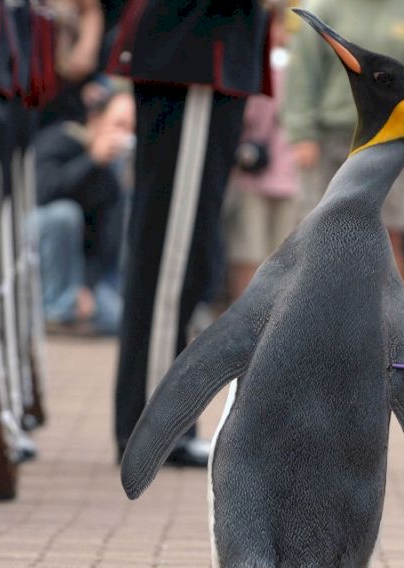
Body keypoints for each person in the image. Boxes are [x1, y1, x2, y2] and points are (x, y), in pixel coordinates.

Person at [107, 0, 271, 466]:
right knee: (170, 261)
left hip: (201, 59)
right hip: (196, 59)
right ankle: (153, 427)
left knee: (186, 258)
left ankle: (157, 421)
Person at [283, 0, 404, 284]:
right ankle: (316, 325)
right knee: (317, 238)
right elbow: (301, 73)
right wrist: (302, 132)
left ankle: (391, 328)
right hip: (332, 140)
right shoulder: (325, 7)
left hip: (391, 141)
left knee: (389, 239)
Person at [31, 88, 134, 336]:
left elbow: (103, 243)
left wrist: (86, 287)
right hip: (34, 257)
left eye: (131, 129)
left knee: (120, 318)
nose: (124, 136)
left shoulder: (110, 177)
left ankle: (67, 313)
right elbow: (42, 193)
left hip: (75, 274)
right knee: (64, 215)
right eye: (118, 125)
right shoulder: (60, 139)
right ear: (96, 119)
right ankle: (54, 311)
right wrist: (91, 160)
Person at [225, 9, 302, 300]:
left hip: (285, 170)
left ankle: (268, 327)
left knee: (277, 255)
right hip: (256, 174)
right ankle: (250, 324)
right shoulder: (252, 65)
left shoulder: (289, 67)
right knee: (249, 252)